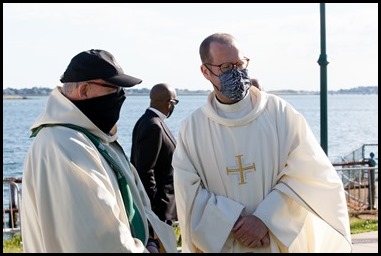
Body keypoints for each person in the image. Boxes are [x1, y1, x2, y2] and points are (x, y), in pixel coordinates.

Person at [172, 33, 352, 253]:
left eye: (240, 64)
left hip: (277, 241)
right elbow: (187, 191)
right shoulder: (193, 129)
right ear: (205, 71)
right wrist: (230, 221)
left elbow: (309, 175)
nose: (236, 73)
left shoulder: (279, 113)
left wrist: (265, 218)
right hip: (227, 242)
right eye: (227, 67)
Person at [20, 49, 177, 253]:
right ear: (84, 90)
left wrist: (151, 238)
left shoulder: (93, 138)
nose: (121, 96)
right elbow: (100, 237)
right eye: (114, 88)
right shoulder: (64, 145)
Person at [130, 83, 179, 250]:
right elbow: (145, 170)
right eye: (175, 102)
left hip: (160, 211)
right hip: (159, 212)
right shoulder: (154, 126)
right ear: (169, 103)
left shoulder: (146, 121)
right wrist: (154, 210)